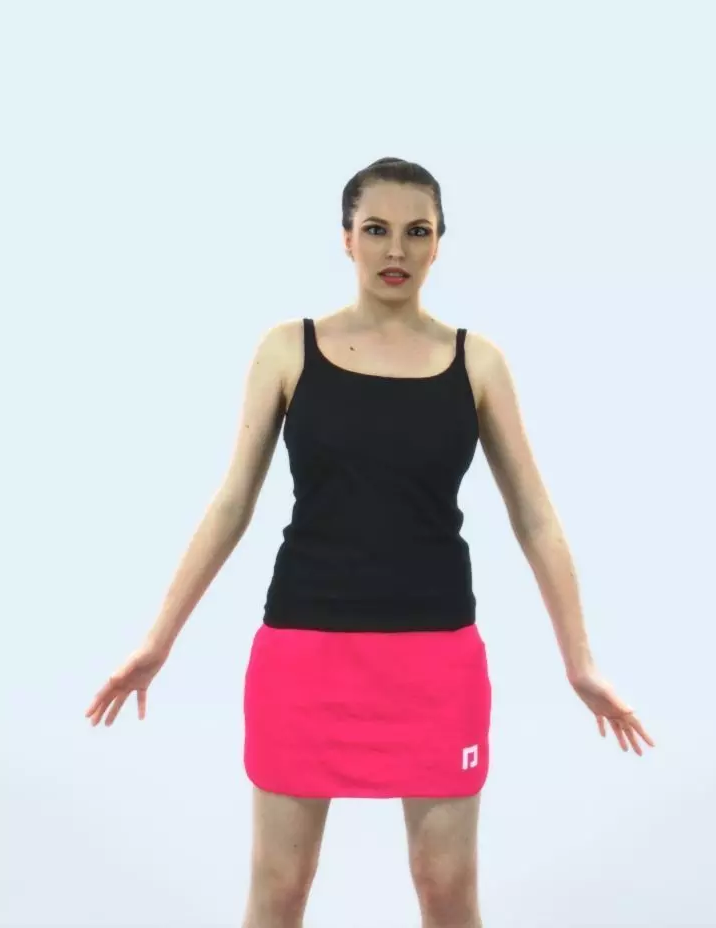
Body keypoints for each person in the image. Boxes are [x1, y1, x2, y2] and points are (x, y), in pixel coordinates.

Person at [85, 156, 655, 928]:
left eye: (417, 232)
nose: (396, 250)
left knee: (445, 888)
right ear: (347, 238)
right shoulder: (289, 350)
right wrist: (157, 642)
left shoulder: (477, 363)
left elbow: (536, 518)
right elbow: (231, 505)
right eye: (377, 229)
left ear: (439, 243)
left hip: (436, 661)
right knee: (280, 887)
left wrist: (579, 662)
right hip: (304, 655)